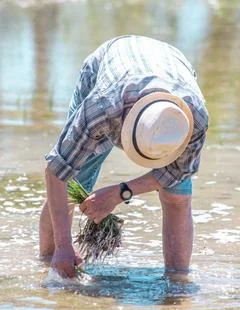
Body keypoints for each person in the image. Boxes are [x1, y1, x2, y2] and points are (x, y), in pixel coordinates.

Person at [39, 35, 208, 278]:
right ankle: (50, 263)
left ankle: (178, 281)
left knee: (178, 195)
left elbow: (179, 171)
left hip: (171, 66)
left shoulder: (191, 118)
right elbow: (56, 172)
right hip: (109, 66)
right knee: (75, 185)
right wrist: (64, 246)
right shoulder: (100, 109)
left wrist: (121, 192)